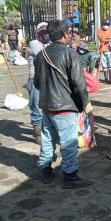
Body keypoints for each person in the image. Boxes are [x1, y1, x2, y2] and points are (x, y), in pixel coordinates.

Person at [34, 20, 93, 188]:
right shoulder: (70, 54)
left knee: (47, 139)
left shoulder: (41, 54)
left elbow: (37, 82)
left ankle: (45, 168)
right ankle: (70, 175)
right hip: (64, 106)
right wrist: (84, 104)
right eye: (68, 33)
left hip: (46, 105)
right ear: (65, 34)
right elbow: (79, 84)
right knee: (68, 143)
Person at [26, 22, 49, 144]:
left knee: (47, 108)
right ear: (38, 33)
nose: (45, 35)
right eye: (42, 33)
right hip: (36, 80)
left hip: (47, 80)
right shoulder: (35, 43)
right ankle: (38, 135)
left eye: (47, 33)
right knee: (37, 109)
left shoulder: (48, 44)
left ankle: (46, 132)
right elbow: (44, 57)